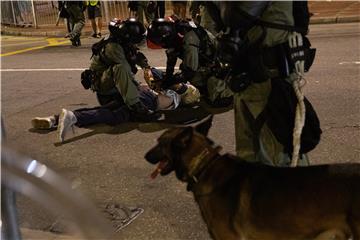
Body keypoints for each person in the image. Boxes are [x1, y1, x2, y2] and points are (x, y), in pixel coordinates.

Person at [204, 2, 317, 166]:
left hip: (267, 76)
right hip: (252, 73)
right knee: (252, 156)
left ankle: (290, 190)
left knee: (276, 153)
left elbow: (235, 15)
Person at [31, 83, 181, 142]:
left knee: (102, 110)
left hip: (131, 98)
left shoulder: (157, 103)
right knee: (111, 116)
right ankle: (73, 117)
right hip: (137, 101)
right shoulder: (161, 98)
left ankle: (53, 119)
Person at [147, 17, 233, 107]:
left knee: (217, 98)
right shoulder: (177, 33)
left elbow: (190, 71)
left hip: (220, 65)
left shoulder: (189, 40)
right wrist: (168, 78)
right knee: (187, 73)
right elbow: (172, 59)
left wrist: (172, 81)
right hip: (206, 61)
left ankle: (228, 91)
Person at [86, 18, 158, 120]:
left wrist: (147, 68)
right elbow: (125, 71)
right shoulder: (113, 47)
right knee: (122, 68)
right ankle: (136, 107)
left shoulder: (121, 42)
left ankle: (131, 99)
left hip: (112, 83)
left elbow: (135, 56)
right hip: (106, 90)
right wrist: (137, 87)